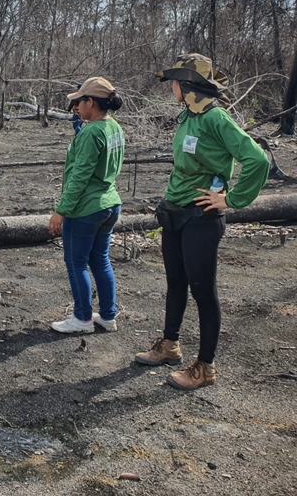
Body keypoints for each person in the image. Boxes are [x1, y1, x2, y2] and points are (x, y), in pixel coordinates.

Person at [136, 53, 269, 390]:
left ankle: (205, 367)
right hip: (175, 214)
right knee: (175, 284)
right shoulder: (188, 117)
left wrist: (232, 199)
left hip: (201, 219)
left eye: (175, 83)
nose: (172, 89)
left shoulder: (216, 118)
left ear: (188, 84)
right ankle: (170, 346)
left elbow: (256, 160)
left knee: (203, 292)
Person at [48, 77, 125, 334]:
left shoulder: (92, 132)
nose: (75, 108)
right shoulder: (114, 127)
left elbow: (79, 176)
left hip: (86, 208)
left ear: (91, 101)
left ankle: (82, 318)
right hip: (109, 203)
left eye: (79, 102)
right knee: (101, 260)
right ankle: (107, 316)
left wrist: (61, 210)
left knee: (76, 262)